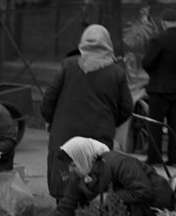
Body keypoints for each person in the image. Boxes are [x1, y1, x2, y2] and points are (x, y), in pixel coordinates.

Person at [31, 136, 175, 216]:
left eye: (73, 165)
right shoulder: (81, 174)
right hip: (126, 206)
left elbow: (143, 191)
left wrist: (108, 197)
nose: (70, 170)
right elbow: (66, 206)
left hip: (153, 204)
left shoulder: (117, 163)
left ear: (83, 158)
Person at [41, 24, 133, 201]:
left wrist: (53, 122)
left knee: (64, 185)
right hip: (98, 138)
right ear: (108, 43)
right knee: (93, 186)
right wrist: (109, 122)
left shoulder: (68, 65)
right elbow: (127, 107)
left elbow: (48, 100)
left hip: (64, 135)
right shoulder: (116, 72)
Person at [141, 8, 176, 166]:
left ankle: (155, 158)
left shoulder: (158, 39)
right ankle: (175, 158)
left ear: (164, 23)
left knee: (156, 124)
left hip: (159, 89)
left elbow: (147, 63)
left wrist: (155, 74)